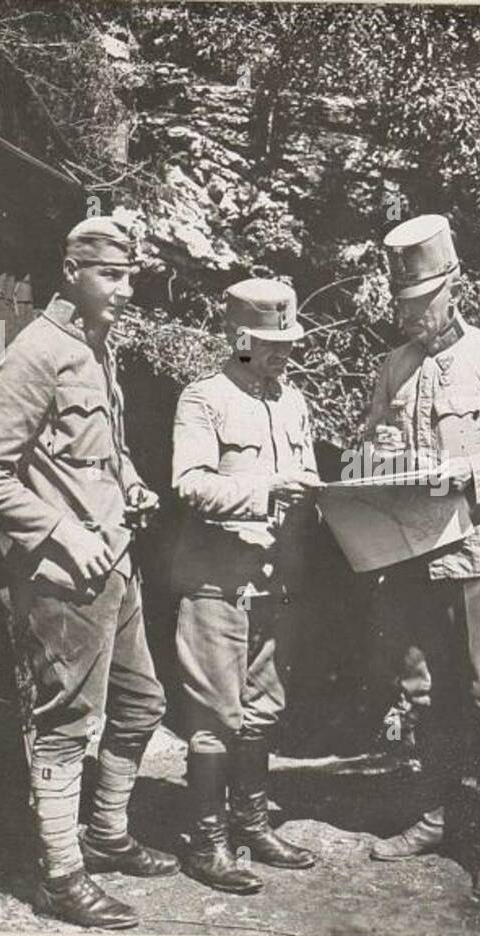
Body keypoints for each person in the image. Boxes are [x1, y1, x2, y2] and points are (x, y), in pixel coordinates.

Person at [0, 216, 176, 931]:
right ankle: (61, 876)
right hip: (65, 573)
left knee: (142, 704)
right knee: (67, 724)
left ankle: (106, 834)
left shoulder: (94, 346)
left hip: (115, 561)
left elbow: (96, 451)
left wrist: (133, 481)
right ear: (72, 271)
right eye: (111, 274)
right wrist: (58, 532)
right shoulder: (37, 353)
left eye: (130, 275)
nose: (125, 288)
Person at [364, 214, 480, 898]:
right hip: (414, 560)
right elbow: (367, 444)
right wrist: (378, 460)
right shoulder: (393, 366)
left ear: (454, 288)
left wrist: (463, 476)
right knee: (425, 691)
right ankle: (439, 813)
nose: (411, 316)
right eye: (402, 304)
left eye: (422, 302)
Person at [170, 278, 321, 894]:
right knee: (215, 714)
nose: (284, 353)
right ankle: (207, 843)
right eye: (270, 342)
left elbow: (307, 469)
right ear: (239, 339)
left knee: (262, 707)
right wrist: (265, 491)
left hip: (272, 579)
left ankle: (252, 823)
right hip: (215, 578)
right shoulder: (203, 399)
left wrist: (308, 489)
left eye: (289, 342)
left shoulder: (294, 401)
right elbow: (188, 482)